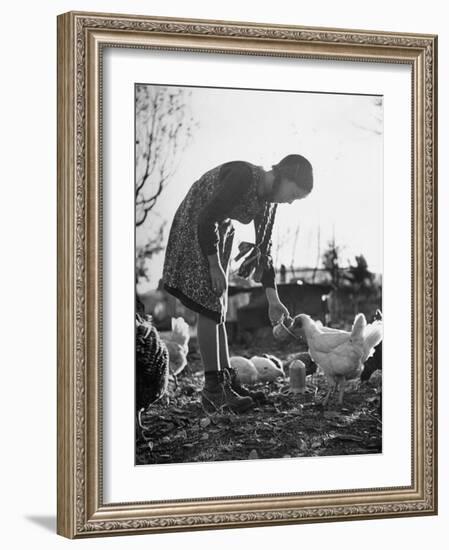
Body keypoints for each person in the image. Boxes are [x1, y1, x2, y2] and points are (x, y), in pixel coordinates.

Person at [162, 154, 314, 414]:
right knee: (209, 306)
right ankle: (213, 391)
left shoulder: (267, 203)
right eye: (293, 193)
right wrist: (213, 264)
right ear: (284, 176)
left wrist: (273, 299)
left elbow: (263, 251)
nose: (290, 201)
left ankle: (226, 380)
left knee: (218, 307)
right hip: (197, 224)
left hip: (219, 232)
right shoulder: (244, 177)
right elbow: (206, 216)